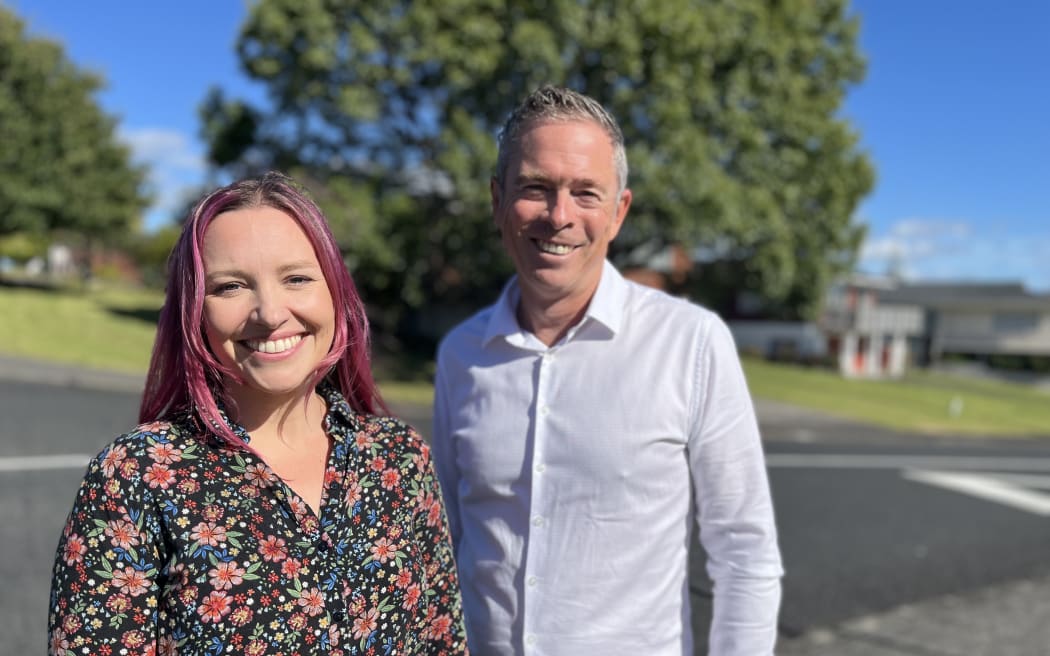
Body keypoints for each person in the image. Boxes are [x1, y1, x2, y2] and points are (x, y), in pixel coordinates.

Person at [48, 173, 468, 655]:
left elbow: (444, 642)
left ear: (336, 292)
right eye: (230, 286)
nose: (270, 312)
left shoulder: (400, 459)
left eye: (297, 278)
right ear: (194, 312)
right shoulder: (136, 476)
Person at [431, 86, 783, 655]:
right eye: (535, 188)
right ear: (497, 201)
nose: (560, 215)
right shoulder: (462, 354)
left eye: (585, 193)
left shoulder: (690, 344)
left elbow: (744, 549)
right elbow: (446, 538)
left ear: (618, 212)